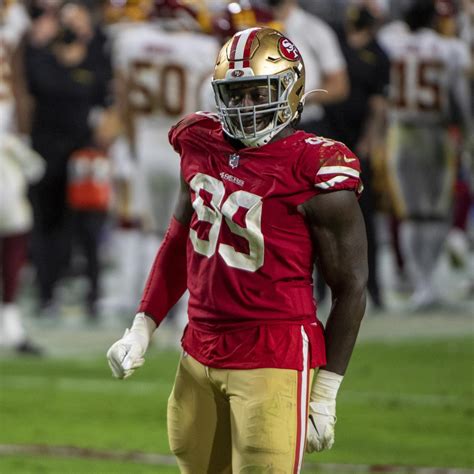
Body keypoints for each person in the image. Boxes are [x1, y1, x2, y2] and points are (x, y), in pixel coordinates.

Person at [107, 27, 367, 472]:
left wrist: (325, 392)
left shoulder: (315, 167)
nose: (246, 106)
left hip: (273, 353)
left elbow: (352, 287)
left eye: (258, 93)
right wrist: (142, 326)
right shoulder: (198, 140)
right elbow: (178, 242)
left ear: (290, 90)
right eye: (235, 94)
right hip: (197, 348)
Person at [378, 0, 471, 310]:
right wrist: (467, 131)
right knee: (437, 212)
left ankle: (421, 284)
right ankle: (428, 282)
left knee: (410, 214)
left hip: (401, 133)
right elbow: (459, 96)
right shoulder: (449, 49)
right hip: (436, 132)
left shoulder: (392, 43)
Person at [24, 0, 114, 317]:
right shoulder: (41, 57)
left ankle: (94, 294)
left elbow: (107, 99)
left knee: (89, 225)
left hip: (83, 152)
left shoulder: (96, 59)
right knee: (48, 223)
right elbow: (33, 87)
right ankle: (47, 292)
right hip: (47, 150)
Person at [323, 3, 390, 310]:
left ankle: (373, 288)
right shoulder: (334, 38)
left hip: (355, 146)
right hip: (326, 140)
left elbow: (378, 105)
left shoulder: (379, 54)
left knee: (364, 220)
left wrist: (370, 139)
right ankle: (319, 290)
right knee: (319, 219)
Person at [0, 0, 44, 354]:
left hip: (4, 143)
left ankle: (10, 321)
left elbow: (17, 83)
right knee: (14, 222)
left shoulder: (12, 27)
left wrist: (22, 137)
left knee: (15, 224)